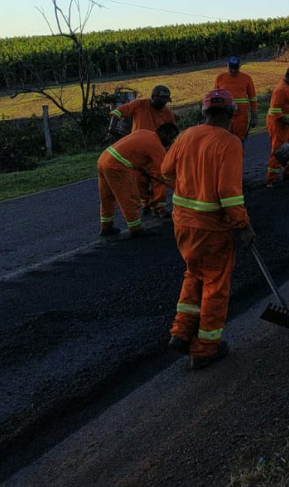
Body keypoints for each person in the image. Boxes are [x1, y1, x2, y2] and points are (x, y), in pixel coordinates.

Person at [161, 88, 256, 370]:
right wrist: (243, 226)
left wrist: (190, 182)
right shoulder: (230, 143)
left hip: (182, 224)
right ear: (230, 114)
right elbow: (229, 193)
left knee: (194, 273)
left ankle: (181, 332)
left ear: (204, 113)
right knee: (215, 284)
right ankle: (204, 348)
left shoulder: (186, 135)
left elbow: (166, 170)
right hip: (212, 228)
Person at [97, 123, 179, 238]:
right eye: (170, 138)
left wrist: (140, 168)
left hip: (103, 160)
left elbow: (134, 151)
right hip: (117, 167)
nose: (171, 141)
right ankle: (136, 229)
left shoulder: (144, 132)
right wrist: (179, 186)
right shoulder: (155, 145)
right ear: (163, 134)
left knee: (107, 197)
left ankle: (106, 227)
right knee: (129, 197)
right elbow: (165, 169)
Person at [107, 85, 177, 215]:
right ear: (153, 97)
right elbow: (119, 112)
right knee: (139, 180)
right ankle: (145, 203)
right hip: (138, 153)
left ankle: (159, 207)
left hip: (156, 152)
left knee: (159, 178)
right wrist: (112, 128)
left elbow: (172, 134)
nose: (163, 103)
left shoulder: (168, 114)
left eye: (165, 101)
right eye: (161, 100)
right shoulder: (140, 105)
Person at [213, 55, 258, 145]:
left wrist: (254, 116)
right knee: (225, 143)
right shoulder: (220, 78)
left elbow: (252, 98)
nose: (233, 71)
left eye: (235, 68)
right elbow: (214, 98)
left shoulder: (247, 78)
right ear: (227, 66)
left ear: (239, 67)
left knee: (239, 143)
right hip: (225, 117)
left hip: (241, 117)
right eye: (231, 68)